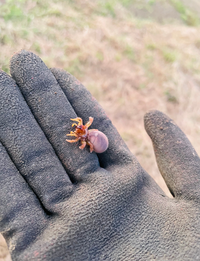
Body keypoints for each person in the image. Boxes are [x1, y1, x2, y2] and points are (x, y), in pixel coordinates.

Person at [0, 50, 199, 261]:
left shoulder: (83, 136)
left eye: (79, 131)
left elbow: (84, 138)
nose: (77, 131)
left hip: (95, 140)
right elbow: (83, 129)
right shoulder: (84, 130)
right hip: (94, 138)